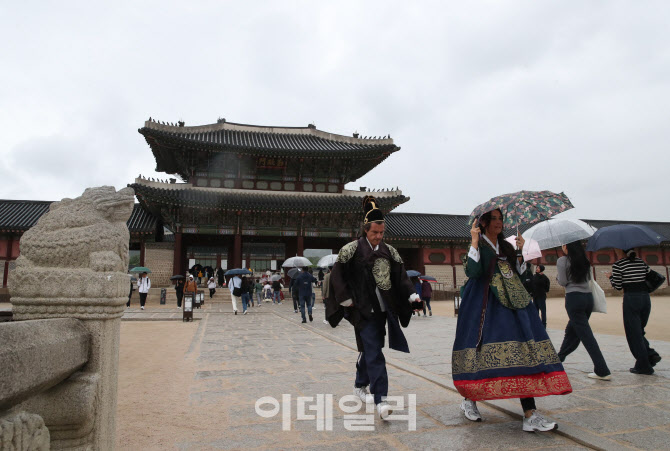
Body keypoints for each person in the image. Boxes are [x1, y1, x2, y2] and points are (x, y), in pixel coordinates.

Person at [452, 209, 571, 432]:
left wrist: (521, 252)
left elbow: (519, 275)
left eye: (501, 219)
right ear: (484, 223)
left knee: (523, 350)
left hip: (513, 304)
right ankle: (470, 399)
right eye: (494, 219)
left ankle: (530, 413)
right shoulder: (480, 245)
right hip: (484, 305)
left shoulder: (506, 247)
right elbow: (473, 271)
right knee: (480, 350)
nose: (498, 223)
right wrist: (475, 242)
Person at [326, 196, 419, 420]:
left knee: (371, 348)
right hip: (361, 308)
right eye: (374, 232)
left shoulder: (390, 251)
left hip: (383, 309)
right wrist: (345, 298)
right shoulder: (350, 250)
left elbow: (401, 276)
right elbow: (337, 276)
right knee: (375, 351)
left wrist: (412, 294)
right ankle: (382, 399)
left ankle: (360, 385)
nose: (378, 237)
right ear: (365, 230)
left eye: (381, 233)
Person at [556, 242, 611, 381]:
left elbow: (563, 281)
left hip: (574, 298)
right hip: (587, 298)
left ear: (567, 247)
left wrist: (558, 278)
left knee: (586, 335)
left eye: (563, 244)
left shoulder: (562, 260)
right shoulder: (584, 260)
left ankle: (602, 370)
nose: (562, 247)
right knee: (572, 330)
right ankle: (558, 359)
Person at [606, 249, 661, 375]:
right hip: (645, 298)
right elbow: (649, 276)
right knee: (639, 330)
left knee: (633, 333)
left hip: (631, 299)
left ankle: (644, 365)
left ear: (621, 251)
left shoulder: (618, 265)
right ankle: (650, 355)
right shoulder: (641, 262)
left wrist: (611, 277)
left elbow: (618, 286)